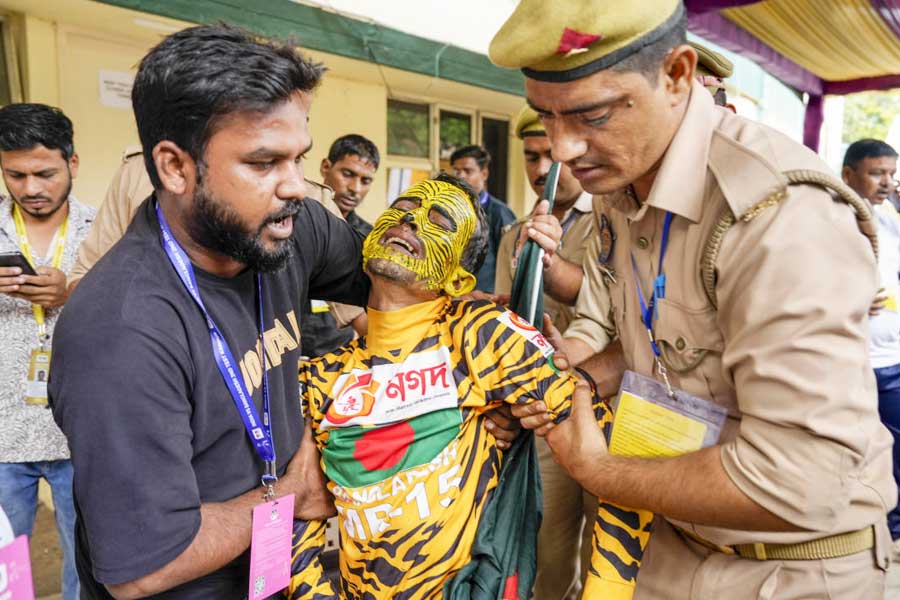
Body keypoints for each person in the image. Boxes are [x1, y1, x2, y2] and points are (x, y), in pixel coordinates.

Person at [489, 1, 895, 598]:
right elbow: (658, 349)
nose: (563, 149)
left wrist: (598, 470)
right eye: (546, 119)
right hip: (666, 546)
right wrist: (571, 383)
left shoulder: (776, 215)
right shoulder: (622, 183)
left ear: (678, 75)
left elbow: (799, 479)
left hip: (793, 572)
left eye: (591, 115)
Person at [48, 25, 370, 598]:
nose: (296, 186)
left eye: (299, 157)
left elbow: (394, 293)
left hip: (285, 571)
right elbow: (143, 570)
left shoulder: (288, 227)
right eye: (264, 161)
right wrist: (289, 496)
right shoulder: (120, 330)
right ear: (175, 167)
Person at [289, 174, 653, 600]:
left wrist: (606, 592)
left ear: (460, 278)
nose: (411, 223)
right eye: (402, 211)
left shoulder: (482, 336)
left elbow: (612, 450)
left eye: (439, 223)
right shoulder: (318, 377)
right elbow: (293, 513)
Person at [494, 106, 596, 600]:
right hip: (542, 418)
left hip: (606, 412)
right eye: (531, 157)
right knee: (548, 551)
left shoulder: (613, 225)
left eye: (550, 157)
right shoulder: (514, 234)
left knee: (605, 558)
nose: (540, 171)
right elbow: (505, 323)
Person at [0, 102, 96, 600]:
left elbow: (129, 309)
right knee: (5, 565)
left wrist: (72, 292)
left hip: (78, 430)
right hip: (2, 432)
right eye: (16, 174)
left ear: (72, 164)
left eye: (45, 172)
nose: (31, 188)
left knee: (84, 558)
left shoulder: (102, 231)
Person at [842, 139, 900, 550]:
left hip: (894, 358)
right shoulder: (831, 218)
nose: (887, 182)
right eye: (877, 173)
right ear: (849, 175)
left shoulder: (890, 220)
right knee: (855, 447)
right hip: (853, 360)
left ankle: (893, 531)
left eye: (891, 173)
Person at [300, 134, 379, 357]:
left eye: (365, 181)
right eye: (348, 174)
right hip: (285, 351)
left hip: (336, 354)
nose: (355, 188)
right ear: (326, 166)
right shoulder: (292, 220)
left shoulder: (369, 238)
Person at [450, 145, 515, 293]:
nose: (460, 176)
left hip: (486, 300)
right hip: (454, 296)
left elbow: (511, 263)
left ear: (484, 174)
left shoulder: (500, 213)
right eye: (456, 170)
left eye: (468, 171)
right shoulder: (450, 210)